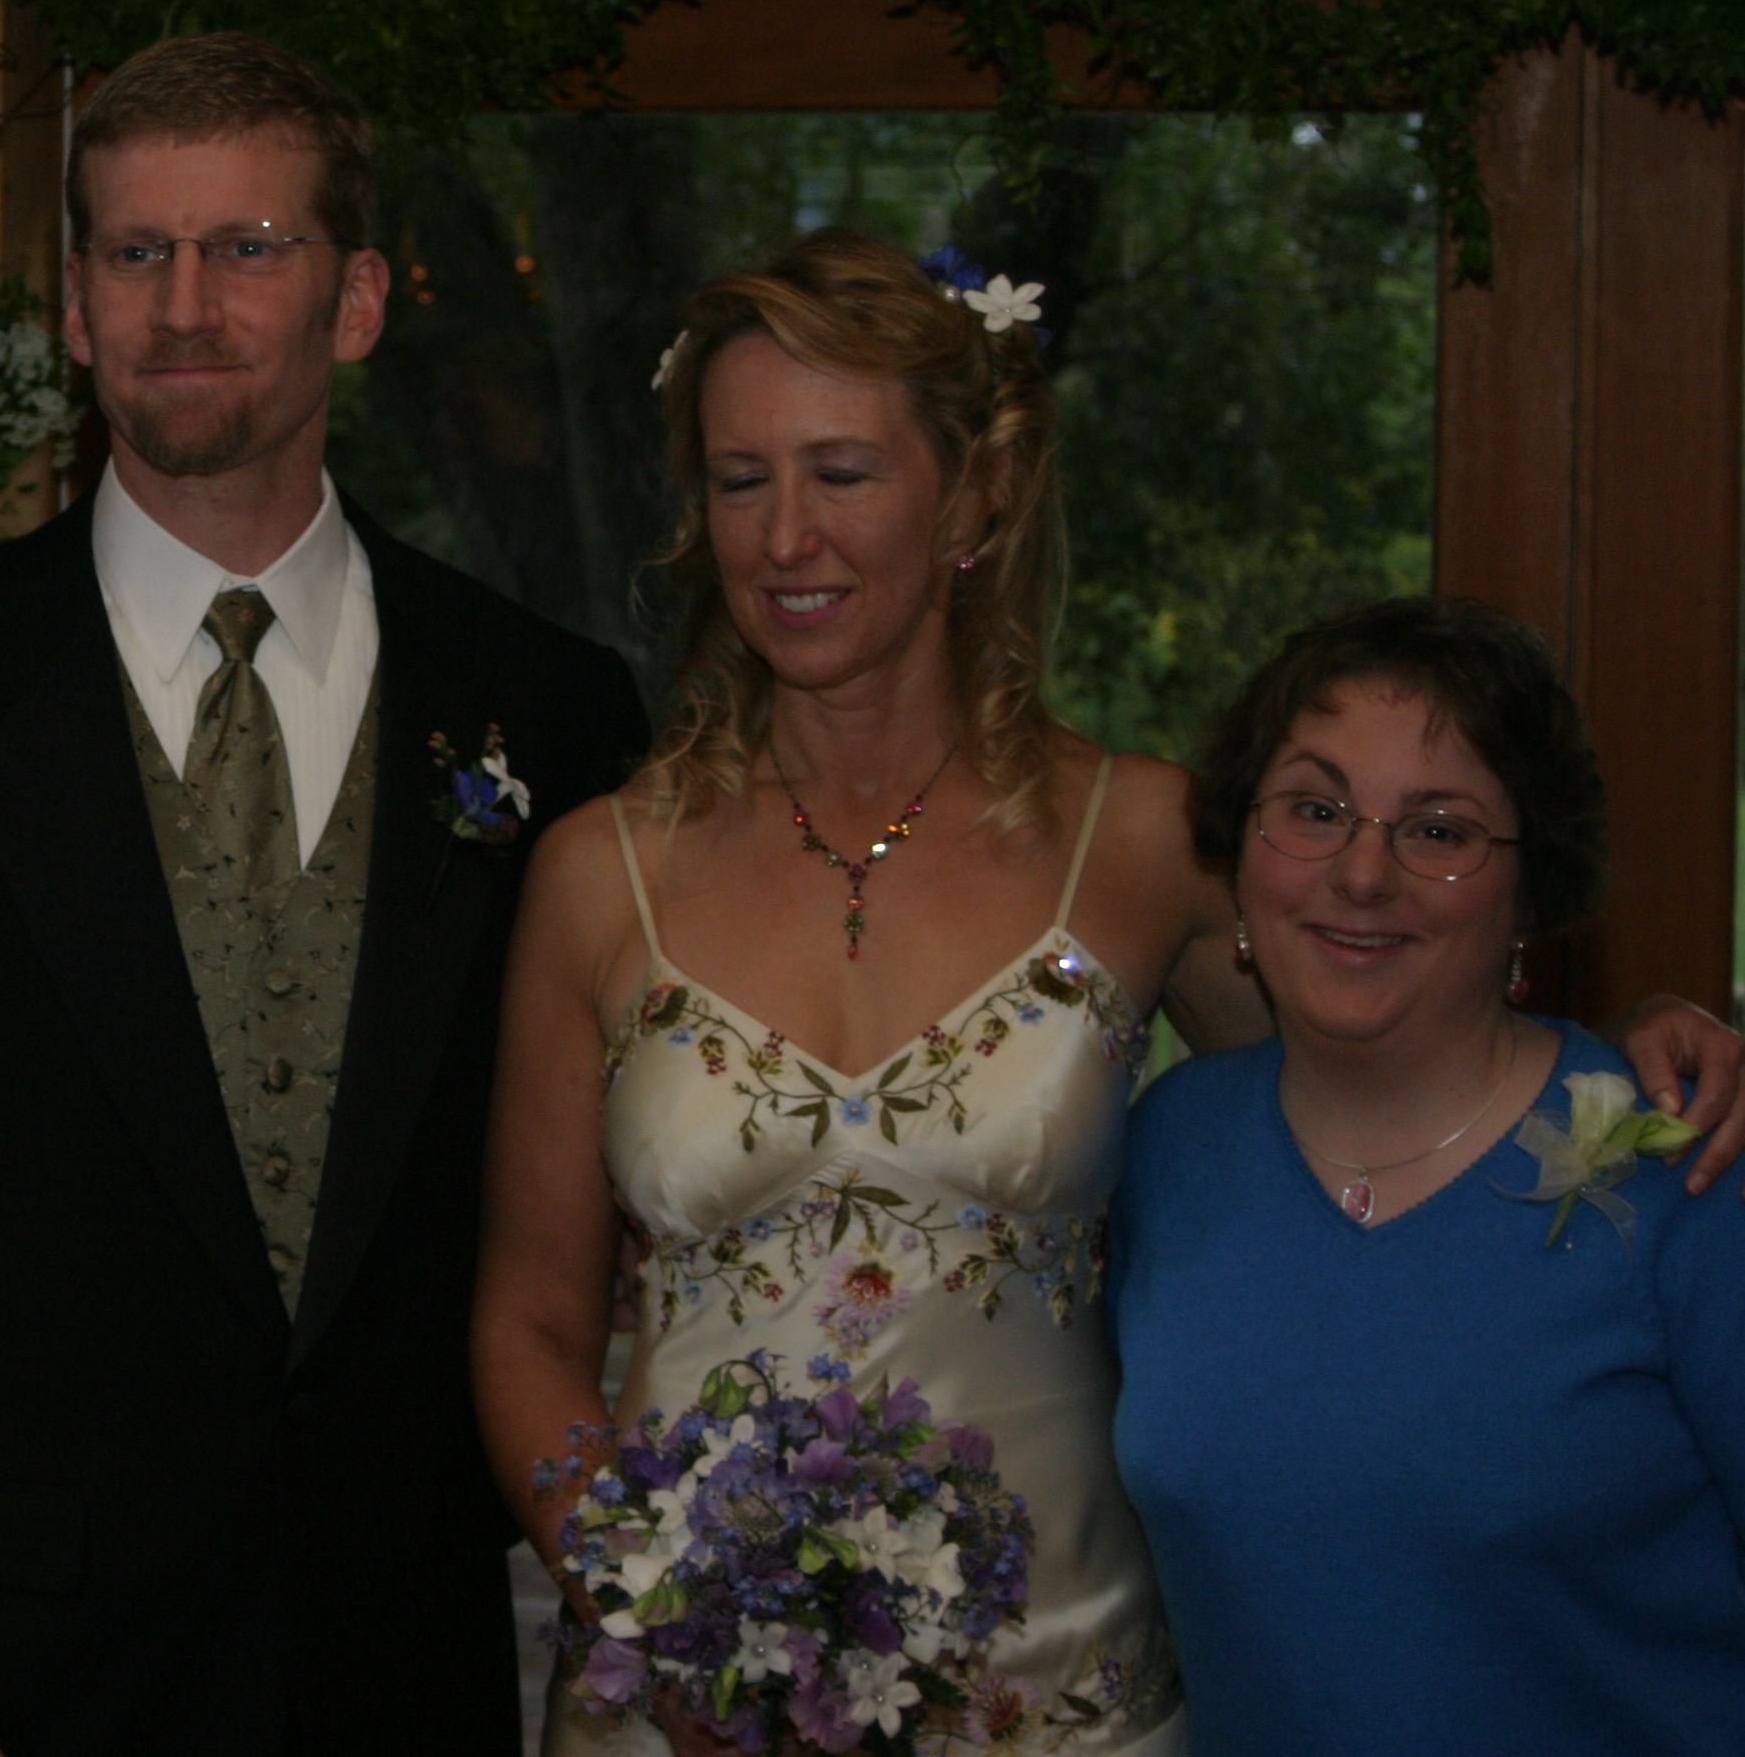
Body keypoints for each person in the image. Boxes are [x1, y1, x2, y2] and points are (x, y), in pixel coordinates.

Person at [470, 230, 1744, 1756]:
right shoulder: (598, 874)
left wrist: (1636, 1055)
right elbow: (531, 1318)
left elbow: (1389, 1064)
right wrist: (651, 1613)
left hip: (1062, 1694)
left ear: (976, 498)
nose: (786, 536)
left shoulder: (1143, 840)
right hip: (695, 1705)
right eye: (742, 480)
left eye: (843, 473)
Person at [0, 31, 653, 1757]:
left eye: (246, 248)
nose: (183, 305)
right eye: (136, 251)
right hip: (9, 1687)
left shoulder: (547, 709)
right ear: (74, 306)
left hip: (412, 1670)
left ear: (358, 301)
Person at [1109, 598, 1745, 1752]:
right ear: (1242, 849)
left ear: (1531, 889)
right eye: (1315, 809)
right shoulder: (1168, 1147)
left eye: (1440, 829)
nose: (1362, 871)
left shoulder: (1680, 1169)